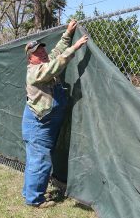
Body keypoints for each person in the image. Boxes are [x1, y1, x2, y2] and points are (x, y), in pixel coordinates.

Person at [22, 20, 88, 208]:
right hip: (38, 125)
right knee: (40, 161)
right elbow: (55, 65)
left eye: (42, 50)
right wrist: (75, 47)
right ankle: (35, 200)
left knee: (35, 160)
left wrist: (67, 34)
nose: (42, 53)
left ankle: (29, 193)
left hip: (42, 122)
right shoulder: (35, 72)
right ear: (30, 59)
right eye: (37, 53)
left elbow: (56, 52)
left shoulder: (43, 61)